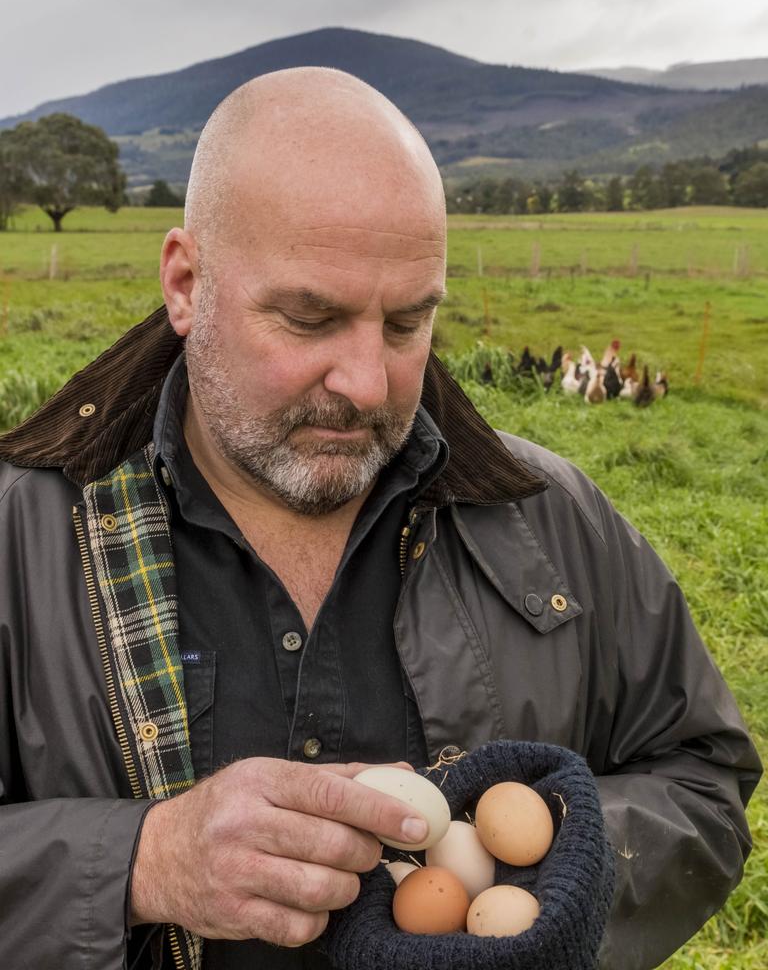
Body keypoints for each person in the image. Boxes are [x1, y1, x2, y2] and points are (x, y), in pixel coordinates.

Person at [0, 68, 761, 970]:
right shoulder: (24, 540)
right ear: (186, 283)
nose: (367, 383)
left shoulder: (555, 524)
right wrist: (140, 863)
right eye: (310, 318)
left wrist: (569, 877)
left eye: (408, 324)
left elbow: (704, 778)